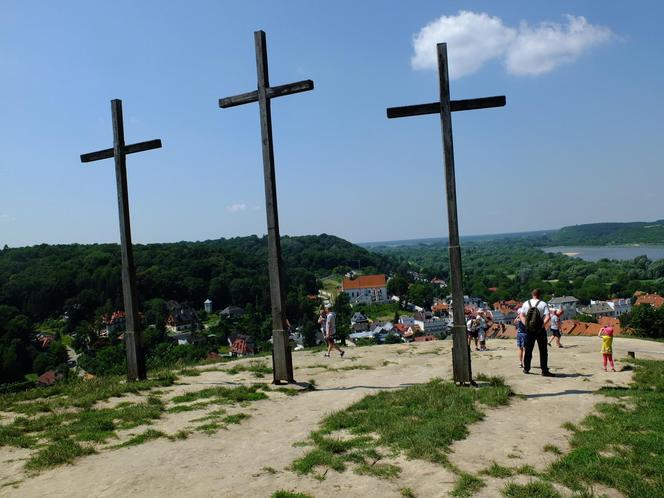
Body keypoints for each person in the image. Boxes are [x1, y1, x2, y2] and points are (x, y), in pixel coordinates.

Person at [520, 289, 554, 377]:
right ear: (539, 295)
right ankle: (544, 370)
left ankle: (526, 368)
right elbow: (548, 316)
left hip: (529, 330)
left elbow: (521, 315)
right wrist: (542, 325)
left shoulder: (526, 303)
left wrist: (526, 325)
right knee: (543, 350)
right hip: (540, 330)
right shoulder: (543, 304)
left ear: (532, 294)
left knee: (528, 349)